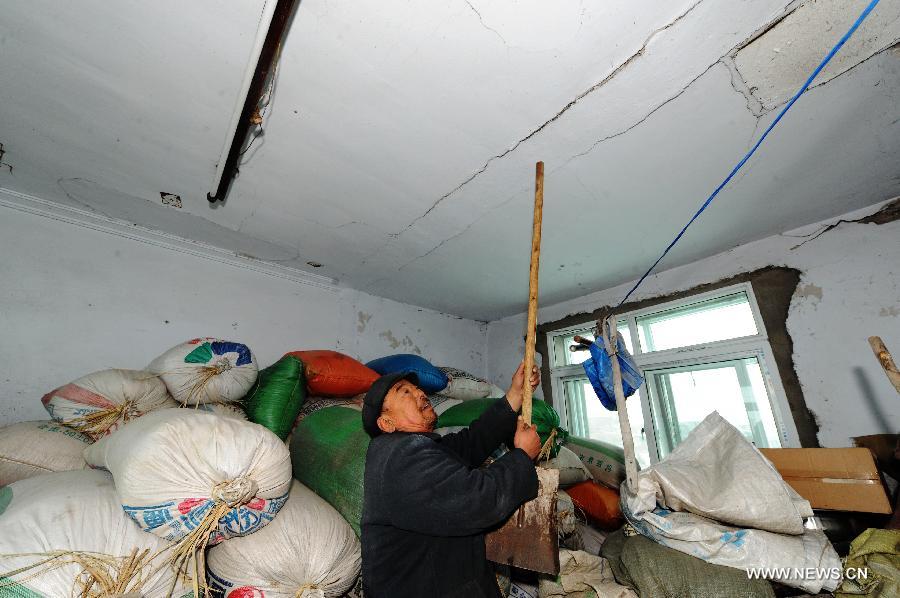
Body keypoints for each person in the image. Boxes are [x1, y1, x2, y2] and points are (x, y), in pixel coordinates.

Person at [360, 361, 543, 597]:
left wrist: (516, 394)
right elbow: (478, 501)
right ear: (387, 423)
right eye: (405, 391)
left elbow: (472, 442)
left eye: (417, 388)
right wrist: (522, 457)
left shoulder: (410, 448)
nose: (420, 392)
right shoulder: (401, 458)